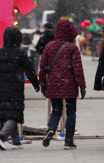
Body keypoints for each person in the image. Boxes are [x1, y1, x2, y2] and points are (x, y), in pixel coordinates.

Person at [0, 27, 40, 150]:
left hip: (2, 87)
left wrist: (1, 71)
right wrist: (36, 85)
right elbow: (30, 71)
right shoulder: (20, 53)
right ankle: (1, 137)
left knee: (4, 111)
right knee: (15, 113)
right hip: (16, 88)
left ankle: (16, 142)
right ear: (18, 39)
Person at [39, 19, 86, 150]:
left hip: (54, 83)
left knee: (56, 110)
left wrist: (42, 84)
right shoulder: (72, 48)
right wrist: (82, 86)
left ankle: (51, 129)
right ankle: (69, 141)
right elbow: (78, 69)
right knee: (71, 113)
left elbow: (42, 68)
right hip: (69, 84)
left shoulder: (49, 46)